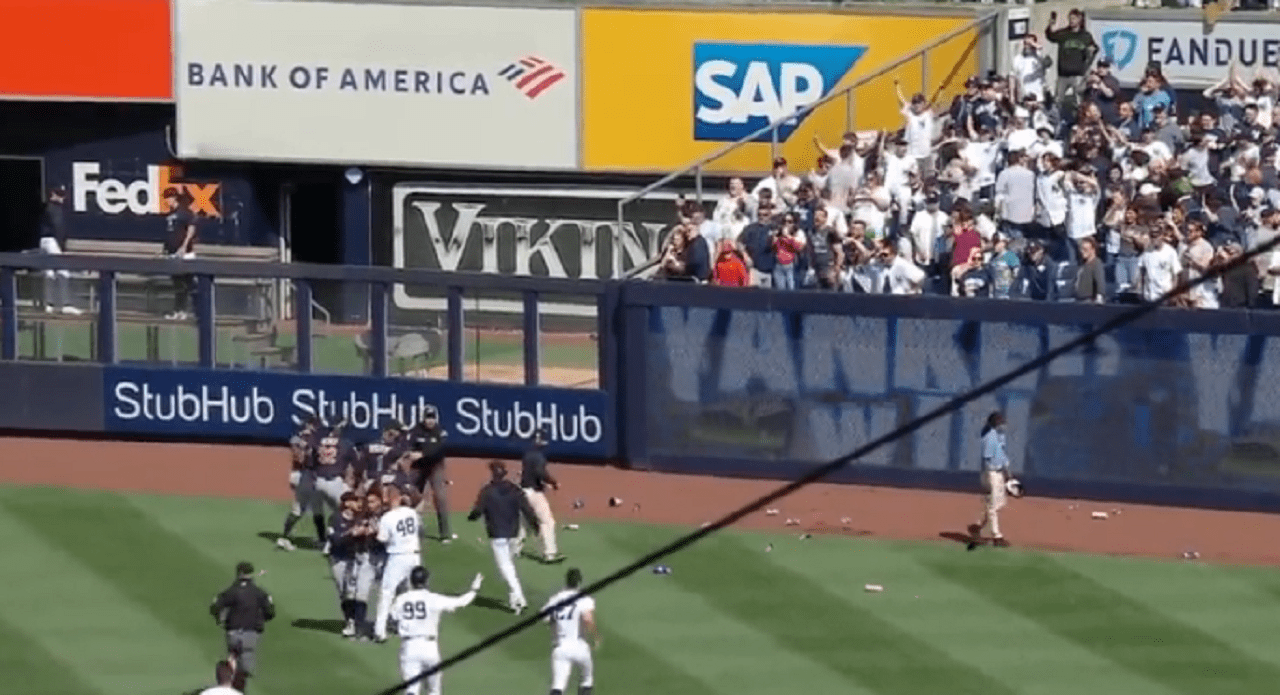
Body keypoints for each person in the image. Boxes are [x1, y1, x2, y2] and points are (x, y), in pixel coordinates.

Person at [392, 566, 482, 695]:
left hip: (409, 646)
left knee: (411, 689)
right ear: (426, 581)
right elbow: (462, 601)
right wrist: (474, 589)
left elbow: (393, 617)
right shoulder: (433, 598)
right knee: (434, 690)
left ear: (411, 581)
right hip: (429, 648)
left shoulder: (401, 599)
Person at [468, 460, 540, 613]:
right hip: (513, 534)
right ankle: (513, 602)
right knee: (510, 567)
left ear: (493, 473)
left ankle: (520, 598)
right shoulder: (514, 489)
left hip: (498, 535)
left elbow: (477, 510)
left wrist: (471, 517)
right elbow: (527, 509)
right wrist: (536, 527)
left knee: (506, 569)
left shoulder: (487, 490)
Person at [209, 562, 275, 694]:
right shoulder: (259, 592)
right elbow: (270, 612)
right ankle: (240, 690)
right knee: (245, 665)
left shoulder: (231, 591)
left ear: (238, 573)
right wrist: (261, 619)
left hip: (233, 632)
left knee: (232, 659)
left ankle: (228, 687)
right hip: (251, 633)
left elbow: (215, 607)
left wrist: (219, 620)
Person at [374, 484, 423, 643]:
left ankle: (380, 631)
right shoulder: (412, 513)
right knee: (411, 593)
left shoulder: (387, 518)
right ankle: (409, 626)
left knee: (387, 593)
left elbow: (382, 539)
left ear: (388, 498)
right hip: (415, 556)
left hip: (397, 557)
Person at [542, 568, 601, 695]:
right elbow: (588, 619)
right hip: (579, 646)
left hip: (560, 648)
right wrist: (596, 637)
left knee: (558, 686)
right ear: (579, 582)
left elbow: (547, 618)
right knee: (587, 680)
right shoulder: (584, 599)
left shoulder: (555, 599)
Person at [406, 405, 455, 543]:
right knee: (410, 492)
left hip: (435, 466)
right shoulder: (416, 430)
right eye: (428, 417)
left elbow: (438, 450)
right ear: (423, 418)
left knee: (440, 497)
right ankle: (411, 526)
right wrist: (410, 453)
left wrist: (421, 453)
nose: (430, 421)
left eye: (432, 417)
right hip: (418, 467)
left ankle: (445, 534)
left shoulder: (440, 431)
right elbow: (409, 444)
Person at [517, 426, 564, 563]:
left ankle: (513, 550)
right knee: (547, 522)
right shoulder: (538, 456)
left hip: (523, 492)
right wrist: (553, 482)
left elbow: (533, 474)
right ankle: (549, 553)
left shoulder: (528, 454)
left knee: (524, 524)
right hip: (534, 494)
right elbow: (540, 473)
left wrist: (544, 483)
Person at [967, 412, 1012, 550]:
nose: (1002, 424)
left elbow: (1002, 454)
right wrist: (989, 477)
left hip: (998, 473)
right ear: (994, 423)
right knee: (993, 505)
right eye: (999, 422)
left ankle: (977, 527)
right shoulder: (989, 437)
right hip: (991, 473)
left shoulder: (999, 436)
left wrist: (1007, 472)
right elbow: (988, 458)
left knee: (998, 503)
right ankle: (997, 536)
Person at [1044, 9, 1099, 115]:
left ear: (1079, 20)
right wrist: (1050, 25)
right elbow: (1050, 36)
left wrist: (1091, 55)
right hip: (1063, 75)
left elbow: (1095, 49)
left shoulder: (1085, 36)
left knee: (1078, 102)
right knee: (1057, 101)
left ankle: (1079, 121)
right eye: (1070, 18)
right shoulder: (1064, 33)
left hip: (1078, 75)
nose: (1071, 21)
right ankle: (1056, 121)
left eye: (1074, 18)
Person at [38, 184, 81, 315]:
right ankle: (64, 304)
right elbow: (57, 229)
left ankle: (48, 304)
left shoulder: (53, 209)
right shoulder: (53, 208)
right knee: (63, 273)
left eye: (63, 194)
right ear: (52, 195)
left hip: (45, 243)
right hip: (49, 241)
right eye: (59, 194)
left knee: (49, 274)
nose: (62, 197)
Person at [163, 187, 199, 321]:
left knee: (189, 283)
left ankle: (196, 311)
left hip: (185, 253)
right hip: (173, 252)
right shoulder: (170, 214)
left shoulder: (184, 212)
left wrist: (184, 246)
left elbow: (191, 228)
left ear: (174, 198)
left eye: (168, 198)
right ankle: (179, 310)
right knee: (178, 284)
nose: (167, 201)